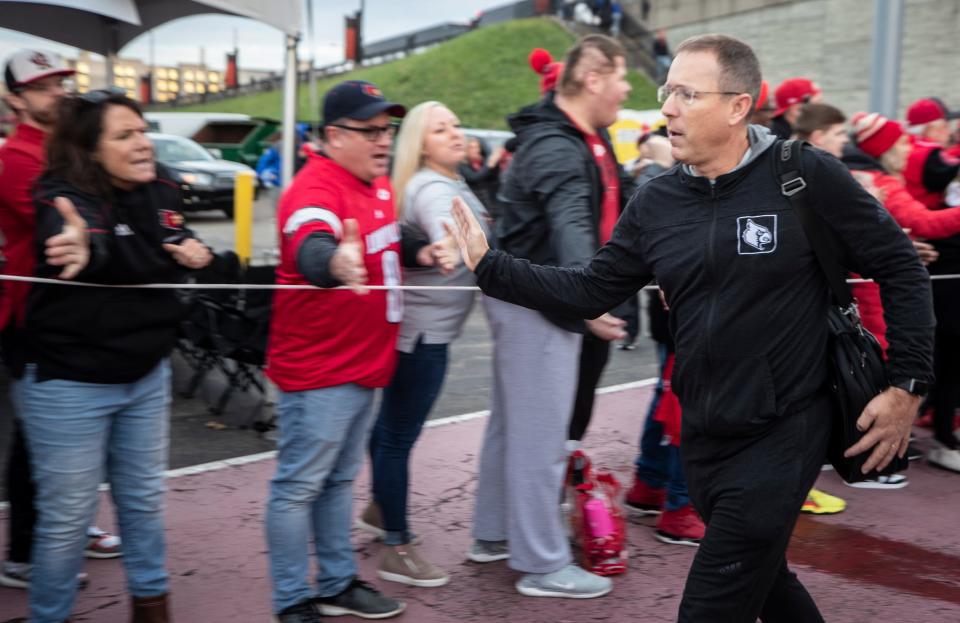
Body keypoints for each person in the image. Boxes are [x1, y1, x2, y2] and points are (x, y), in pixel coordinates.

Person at [446, 34, 934, 621]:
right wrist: (489, 266)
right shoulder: (655, 201)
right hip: (704, 429)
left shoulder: (803, 175)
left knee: (712, 601)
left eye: (686, 93)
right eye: (666, 91)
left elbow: (900, 267)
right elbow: (590, 289)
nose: (667, 108)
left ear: (737, 106)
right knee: (768, 582)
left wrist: (907, 384)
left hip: (789, 423)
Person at [12, 89, 213, 623]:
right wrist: (81, 246)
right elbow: (82, 231)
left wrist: (191, 247)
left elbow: (171, 231)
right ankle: (48, 616)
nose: (143, 143)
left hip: (144, 374)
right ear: (90, 150)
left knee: (143, 503)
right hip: (68, 381)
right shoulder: (62, 192)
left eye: (143, 130)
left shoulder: (164, 183)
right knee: (68, 518)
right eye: (124, 136)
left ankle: (151, 607)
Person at [264, 80, 452, 623]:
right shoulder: (314, 188)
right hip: (321, 372)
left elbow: (389, 233)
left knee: (339, 481)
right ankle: (292, 600)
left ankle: (338, 582)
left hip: (362, 366)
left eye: (386, 130)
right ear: (331, 136)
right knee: (299, 485)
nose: (382, 141)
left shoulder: (374, 186)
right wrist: (331, 263)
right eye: (368, 131)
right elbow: (310, 239)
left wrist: (423, 247)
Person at [466, 34, 630, 600]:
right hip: (538, 301)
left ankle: (491, 534)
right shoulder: (560, 147)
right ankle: (541, 562)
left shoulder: (583, 137)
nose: (628, 87)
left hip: (528, 295)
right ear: (592, 79)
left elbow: (609, 209)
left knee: (513, 426)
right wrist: (591, 300)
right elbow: (572, 232)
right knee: (540, 437)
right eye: (621, 76)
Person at [0, 50, 122, 594]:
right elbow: (70, 215)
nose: (58, 93)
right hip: (31, 314)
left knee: (74, 431)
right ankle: (25, 553)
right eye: (43, 86)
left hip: (72, 312)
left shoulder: (61, 149)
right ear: (15, 99)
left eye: (62, 82)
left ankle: (67, 526)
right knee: (37, 438)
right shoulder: (17, 159)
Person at [357, 101, 489, 588]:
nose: (455, 133)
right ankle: (397, 545)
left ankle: (378, 507)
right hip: (421, 336)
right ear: (420, 142)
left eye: (456, 123)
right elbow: (443, 229)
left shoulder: (448, 181)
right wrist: (448, 247)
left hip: (422, 331)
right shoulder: (432, 187)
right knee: (397, 435)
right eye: (440, 129)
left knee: (391, 428)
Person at [843, 112, 960, 475]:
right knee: (881, 365)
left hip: (874, 287)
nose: (910, 147)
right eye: (902, 143)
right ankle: (870, 455)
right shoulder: (880, 181)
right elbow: (925, 222)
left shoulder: (883, 179)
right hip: (876, 292)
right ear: (888, 148)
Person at [458, 136, 503, 219]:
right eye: (471, 147)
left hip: (492, 203)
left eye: (477, 147)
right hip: (476, 203)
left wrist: (492, 160)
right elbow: (474, 177)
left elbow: (494, 177)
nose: (476, 149)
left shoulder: (482, 162)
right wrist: (490, 164)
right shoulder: (462, 164)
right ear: (466, 149)